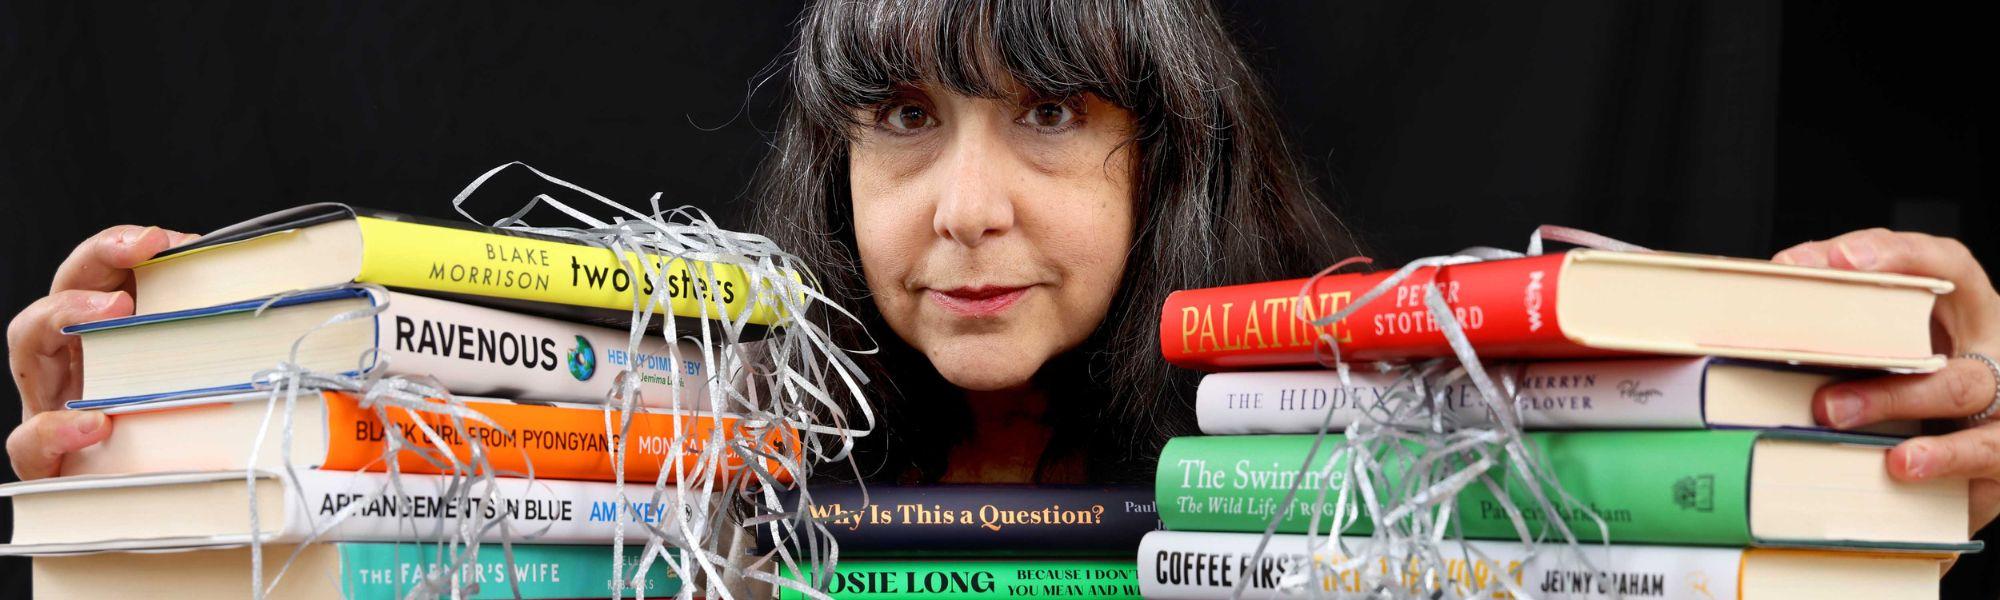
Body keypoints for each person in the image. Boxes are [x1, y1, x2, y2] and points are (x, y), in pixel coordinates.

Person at [9, 0, 1998, 550]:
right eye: (900, 126)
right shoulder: (660, 466)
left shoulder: (1395, 424)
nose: (958, 207)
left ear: (1174, 152)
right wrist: (186, 441)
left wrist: (1894, 447)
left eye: (1051, 119)